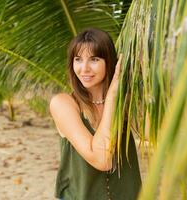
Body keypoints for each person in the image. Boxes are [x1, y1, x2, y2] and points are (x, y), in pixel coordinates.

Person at [50, 28, 142, 200]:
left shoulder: (126, 102)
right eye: (78, 60)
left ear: (109, 62)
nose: (84, 68)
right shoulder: (63, 104)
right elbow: (102, 160)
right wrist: (113, 95)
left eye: (94, 59)